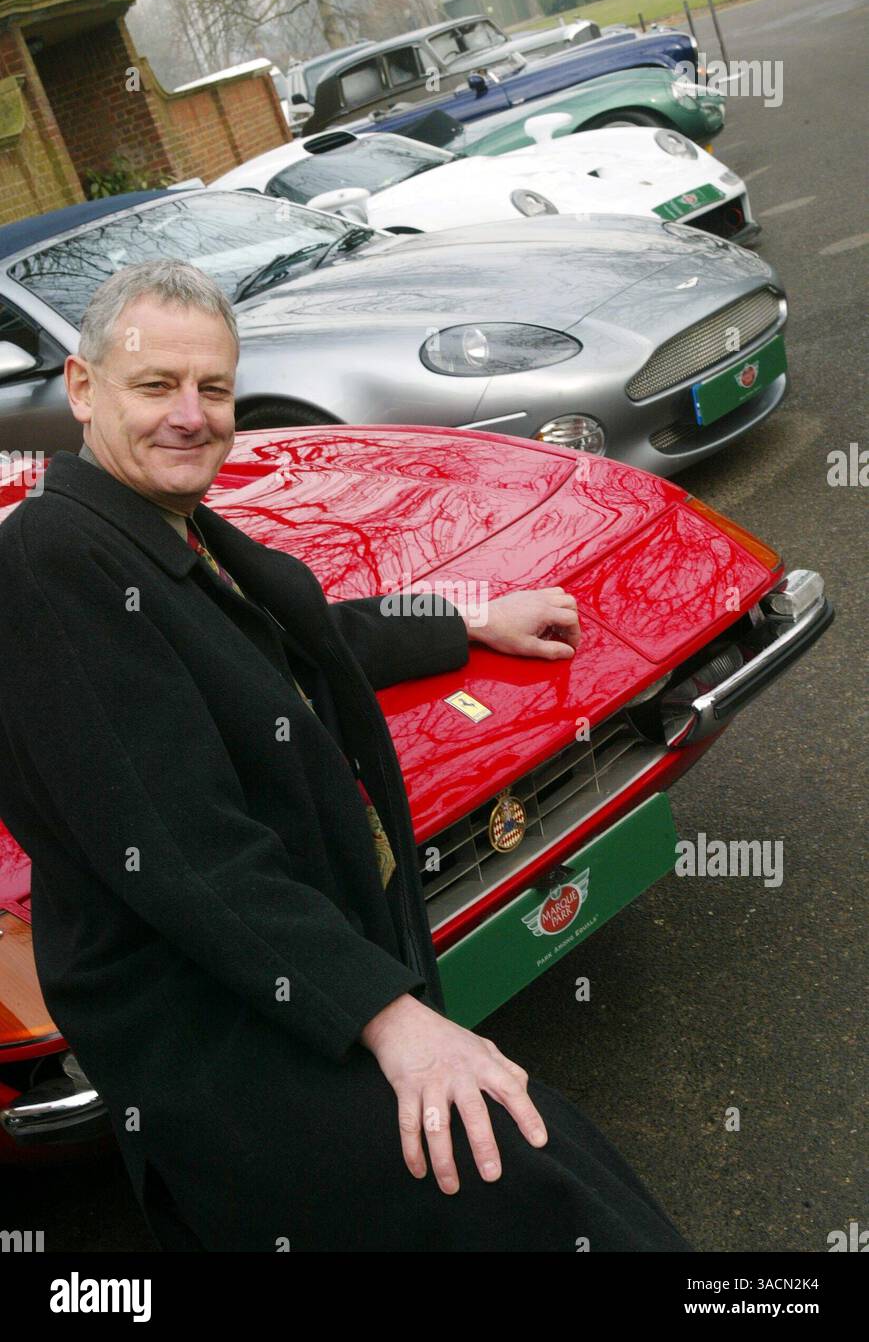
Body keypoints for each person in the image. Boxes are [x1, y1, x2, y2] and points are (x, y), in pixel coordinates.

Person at [0, 260, 691, 1252]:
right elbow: (186, 849)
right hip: (225, 1027)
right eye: (156, 386)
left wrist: (464, 617)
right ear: (81, 388)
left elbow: (303, 633)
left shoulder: (156, 527)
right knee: (537, 1184)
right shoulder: (51, 561)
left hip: (299, 979)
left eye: (214, 388)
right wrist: (384, 1014)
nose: (191, 415)